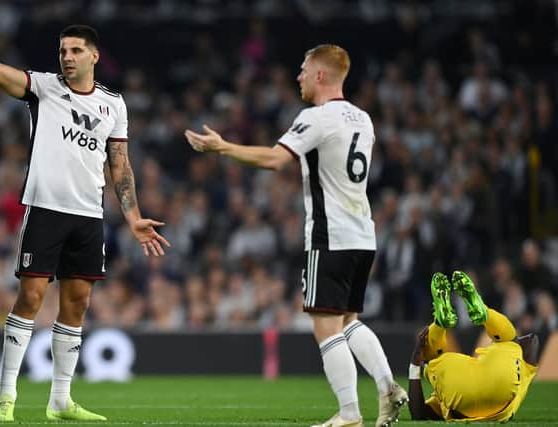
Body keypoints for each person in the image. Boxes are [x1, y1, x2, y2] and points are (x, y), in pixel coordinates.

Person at [0, 0, 170, 422]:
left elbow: (119, 164)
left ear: (94, 56)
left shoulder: (113, 105)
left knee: (78, 303)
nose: (66, 57)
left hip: (89, 215)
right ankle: (5, 397)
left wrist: (133, 215)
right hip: (46, 209)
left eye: (75, 50)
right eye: (63, 50)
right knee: (30, 296)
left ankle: (60, 401)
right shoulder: (43, 88)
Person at [185, 44, 407, 427]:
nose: (298, 76)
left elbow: (274, 160)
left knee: (325, 326)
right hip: (363, 235)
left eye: (303, 69)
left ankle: (349, 413)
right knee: (349, 320)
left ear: (321, 75)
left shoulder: (318, 117)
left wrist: (223, 148)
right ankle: (388, 388)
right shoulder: (364, 119)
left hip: (330, 235)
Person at [408, 271, 539, 422]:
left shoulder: (441, 395)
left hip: (459, 391)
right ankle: (484, 313)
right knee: (509, 339)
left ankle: (440, 323)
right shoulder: (520, 375)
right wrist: (510, 342)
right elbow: (533, 339)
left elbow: (418, 414)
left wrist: (414, 364)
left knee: (432, 358)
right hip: (502, 387)